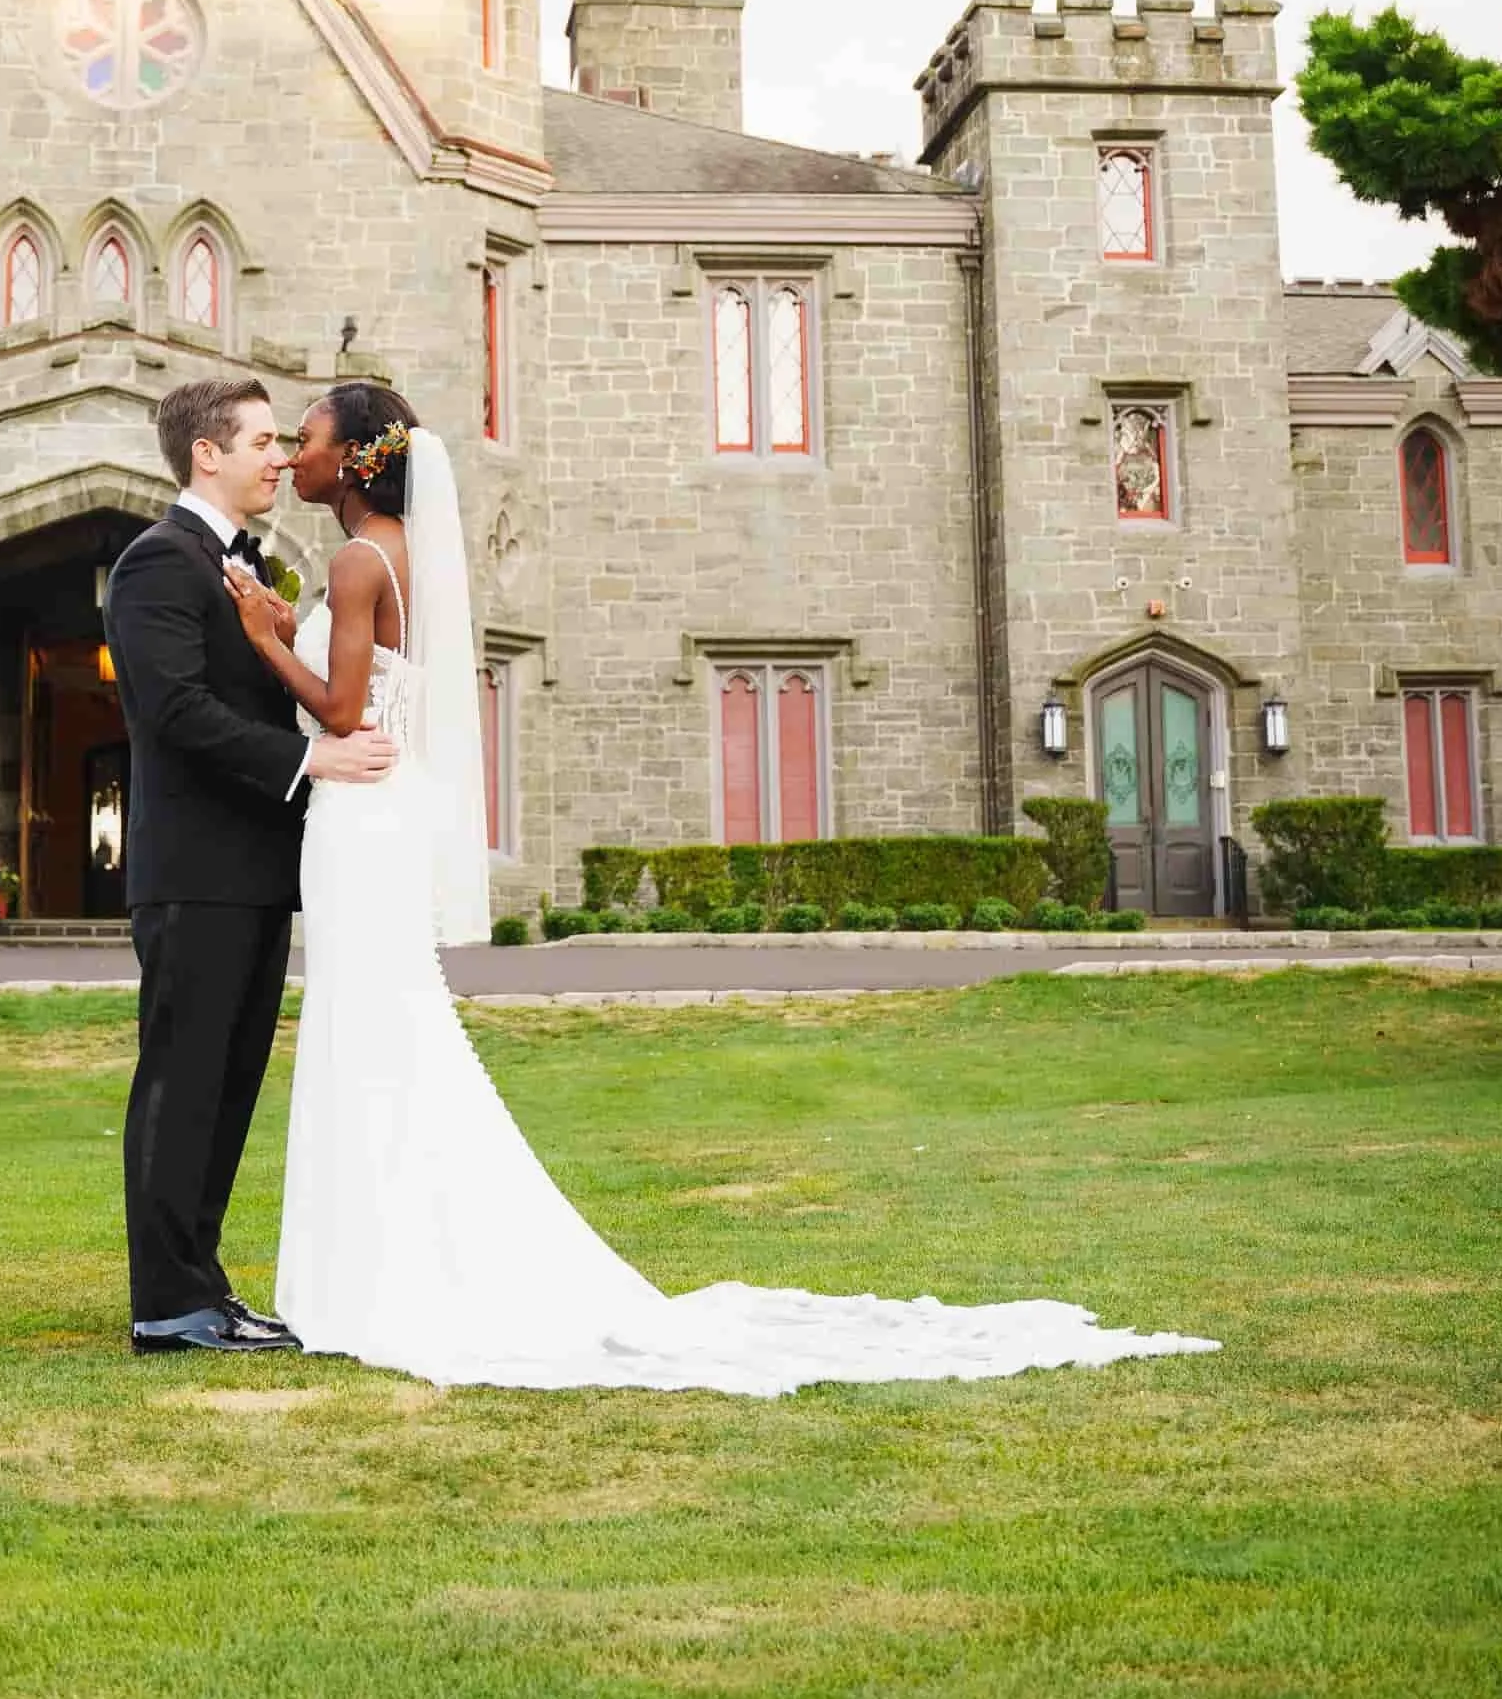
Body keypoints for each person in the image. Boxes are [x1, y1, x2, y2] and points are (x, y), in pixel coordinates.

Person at [225, 382, 1219, 1395]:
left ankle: (368, 1280)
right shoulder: (392, 552)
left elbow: (345, 711)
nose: (289, 459)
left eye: (302, 441)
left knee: (369, 1032)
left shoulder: (355, 558)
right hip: (371, 819)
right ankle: (370, 1273)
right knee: (381, 1033)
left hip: (360, 817)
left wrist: (266, 639)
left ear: (352, 457)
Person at [102, 374, 397, 1357]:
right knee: (183, 1083)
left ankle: (204, 1288)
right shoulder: (156, 565)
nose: (279, 457)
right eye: (264, 440)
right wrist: (313, 758)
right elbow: (175, 712)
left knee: (226, 1092)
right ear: (207, 454)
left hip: (253, 869)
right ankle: (169, 1304)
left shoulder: (242, 561)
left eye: (282, 440)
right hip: (192, 872)